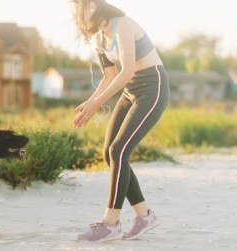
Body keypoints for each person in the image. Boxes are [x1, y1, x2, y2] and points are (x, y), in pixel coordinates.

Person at [70, 0, 170, 242]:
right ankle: (144, 216)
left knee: (119, 149)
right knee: (110, 152)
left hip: (152, 86)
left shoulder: (123, 25)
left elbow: (126, 71)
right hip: (131, 91)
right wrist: (91, 102)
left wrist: (97, 104)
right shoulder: (98, 38)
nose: (80, 11)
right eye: (77, 7)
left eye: (84, 5)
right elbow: (109, 76)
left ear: (97, 5)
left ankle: (110, 223)